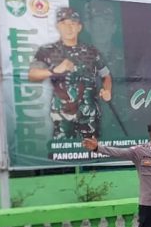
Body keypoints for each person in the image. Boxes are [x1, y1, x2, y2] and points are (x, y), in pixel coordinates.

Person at [28, 7, 113, 140]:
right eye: (64, 24)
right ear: (58, 26)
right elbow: (33, 75)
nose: (69, 28)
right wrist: (54, 70)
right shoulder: (47, 51)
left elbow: (106, 75)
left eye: (72, 24)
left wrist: (107, 90)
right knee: (64, 151)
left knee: (93, 152)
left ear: (79, 27)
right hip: (62, 113)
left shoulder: (91, 51)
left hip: (89, 112)